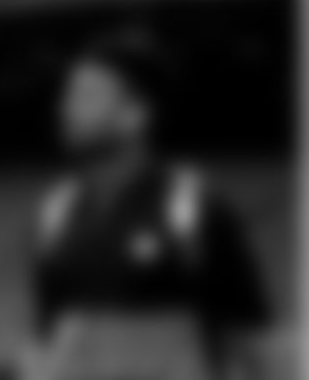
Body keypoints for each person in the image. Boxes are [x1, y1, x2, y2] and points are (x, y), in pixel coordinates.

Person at [27, 32, 274, 380]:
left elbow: (252, 343)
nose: (66, 107)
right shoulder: (56, 212)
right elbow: (45, 345)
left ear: (136, 114)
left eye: (87, 95)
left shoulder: (192, 209)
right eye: (68, 94)